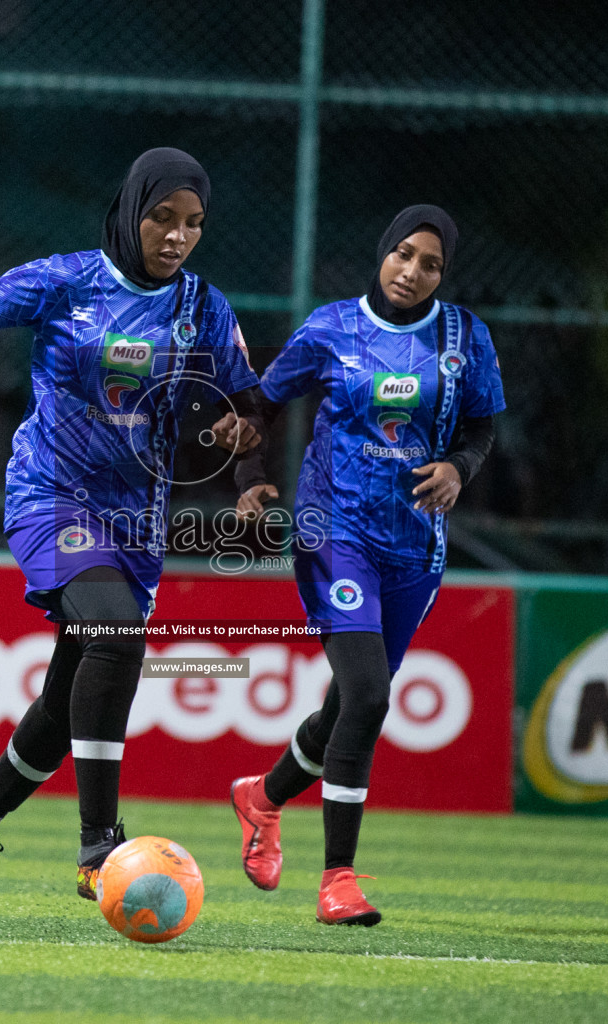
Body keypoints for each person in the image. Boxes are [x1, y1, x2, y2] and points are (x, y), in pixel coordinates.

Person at [0, 148, 261, 909]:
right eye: (161, 217)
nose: (176, 236)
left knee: (66, 696)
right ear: (128, 208)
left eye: (193, 223)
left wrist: (241, 462)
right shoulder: (64, 282)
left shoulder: (204, 308)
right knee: (114, 638)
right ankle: (98, 843)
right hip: (51, 497)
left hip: (135, 525)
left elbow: (242, 408)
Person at [217, 205, 504, 925]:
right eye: (402, 253)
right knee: (371, 697)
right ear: (382, 251)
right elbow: (258, 407)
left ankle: (263, 796)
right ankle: (337, 880)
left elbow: (480, 424)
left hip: (414, 547)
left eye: (429, 264)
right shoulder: (330, 329)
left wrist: (459, 469)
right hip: (332, 531)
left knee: (348, 703)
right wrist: (248, 477)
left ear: (444, 274)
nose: (411, 272)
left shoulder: (463, 337)